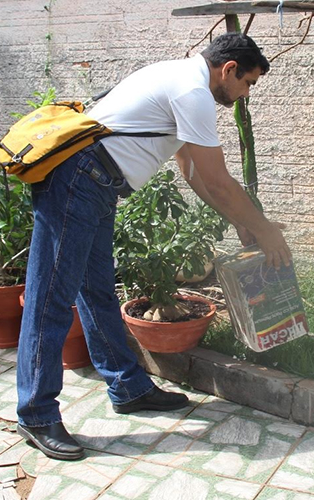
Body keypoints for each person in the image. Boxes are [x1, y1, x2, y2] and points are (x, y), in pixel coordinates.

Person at [15, 33, 292, 461]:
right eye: (249, 84)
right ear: (229, 69)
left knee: (97, 289)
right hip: (78, 181)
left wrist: (243, 221)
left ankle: (127, 386)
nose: (245, 95)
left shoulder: (180, 78)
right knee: (51, 299)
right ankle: (35, 413)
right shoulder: (193, 90)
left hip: (95, 184)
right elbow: (217, 178)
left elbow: (193, 173)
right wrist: (266, 229)